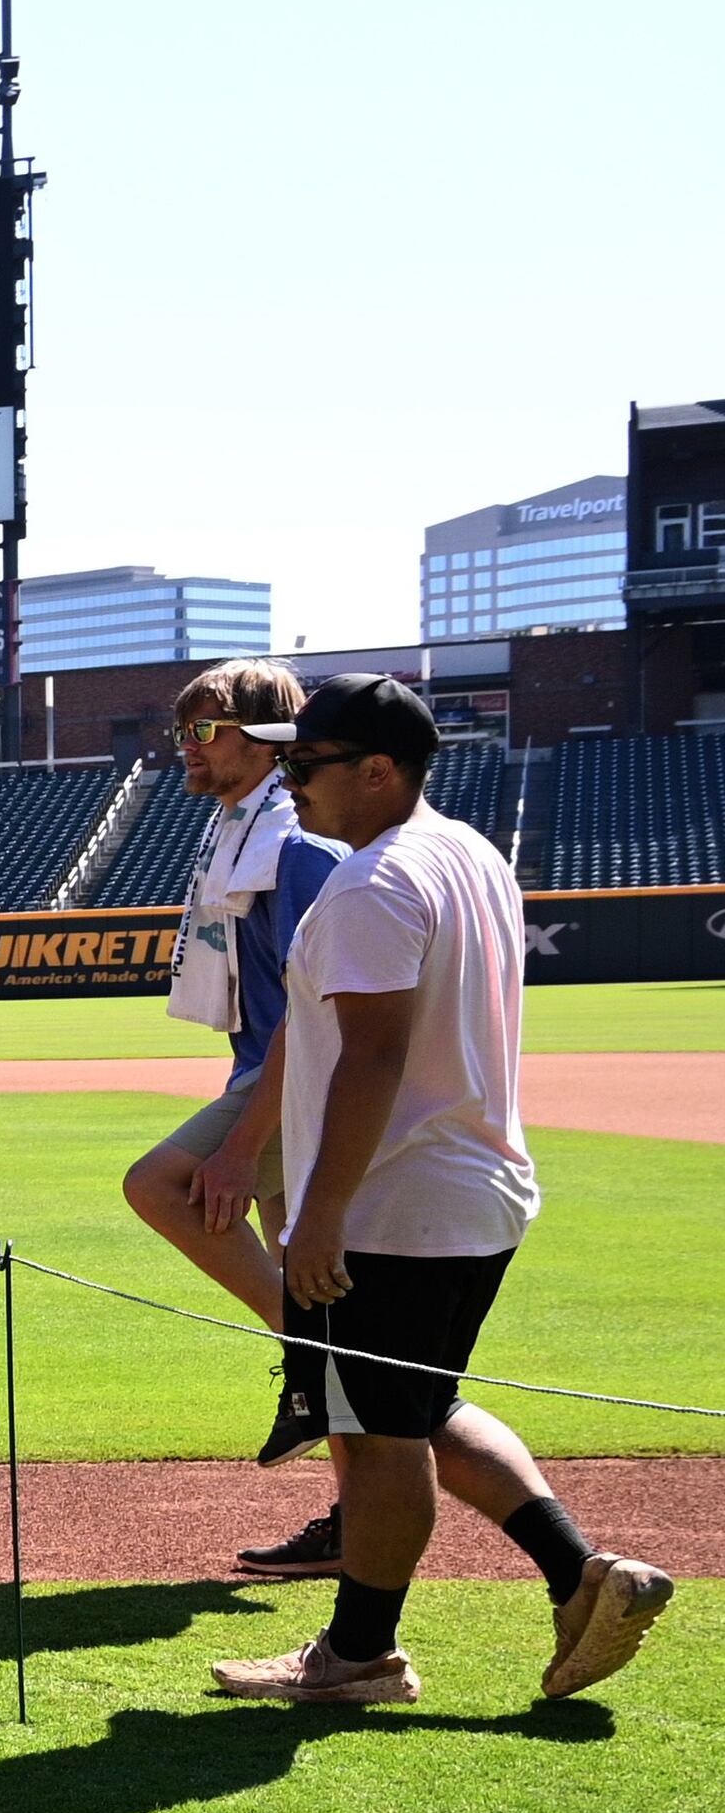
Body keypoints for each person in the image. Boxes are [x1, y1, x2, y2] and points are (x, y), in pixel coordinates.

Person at [209, 674, 672, 1705]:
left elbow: (370, 1058)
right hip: (477, 1191)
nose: (289, 784)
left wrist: (319, 1211)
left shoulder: (374, 882)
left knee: (378, 1443)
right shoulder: (465, 850)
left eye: (305, 764)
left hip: (397, 1204)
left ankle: (357, 1657)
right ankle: (579, 1577)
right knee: (415, 1410)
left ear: (377, 771)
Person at [118, 660, 350, 1571]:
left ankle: (306, 1351)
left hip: (296, 1089)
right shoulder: (236, 837)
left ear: (263, 739)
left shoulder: (294, 847)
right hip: (266, 1083)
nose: (187, 748)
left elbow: (314, 1001)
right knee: (327, 1309)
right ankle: (345, 1509)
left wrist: (241, 1141)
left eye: (203, 732)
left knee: (160, 1185)